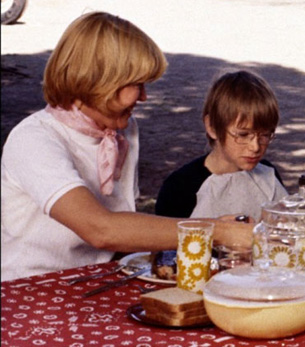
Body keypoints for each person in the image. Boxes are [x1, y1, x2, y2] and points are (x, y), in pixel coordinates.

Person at [0, 12, 252, 282]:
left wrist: (211, 231)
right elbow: (101, 229)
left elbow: (122, 225)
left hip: (95, 281)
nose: (143, 97)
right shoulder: (34, 139)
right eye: (136, 84)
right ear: (97, 81)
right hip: (33, 290)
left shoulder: (122, 131)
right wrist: (214, 230)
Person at [155, 70, 287, 222]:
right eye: (243, 135)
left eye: (265, 135)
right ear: (212, 127)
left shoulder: (268, 176)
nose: (255, 147)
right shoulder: (180, 188)